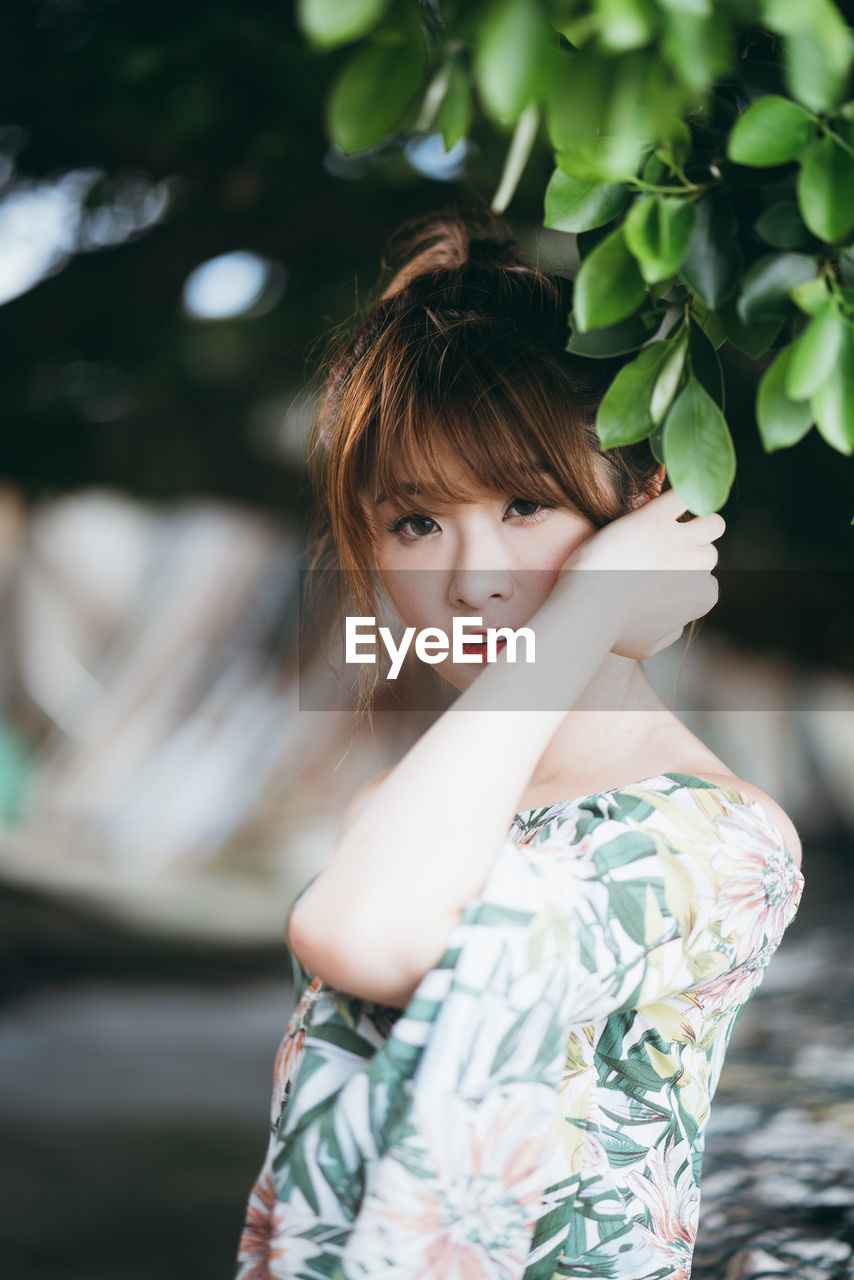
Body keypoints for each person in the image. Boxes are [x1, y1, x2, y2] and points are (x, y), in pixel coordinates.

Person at [234, 207, 804, 1280]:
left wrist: (585, 611)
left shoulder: (719, 838)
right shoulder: (419, 805)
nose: (472, 576)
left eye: (525, 503)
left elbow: (370, 929)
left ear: (647, 512)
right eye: (415, 522)